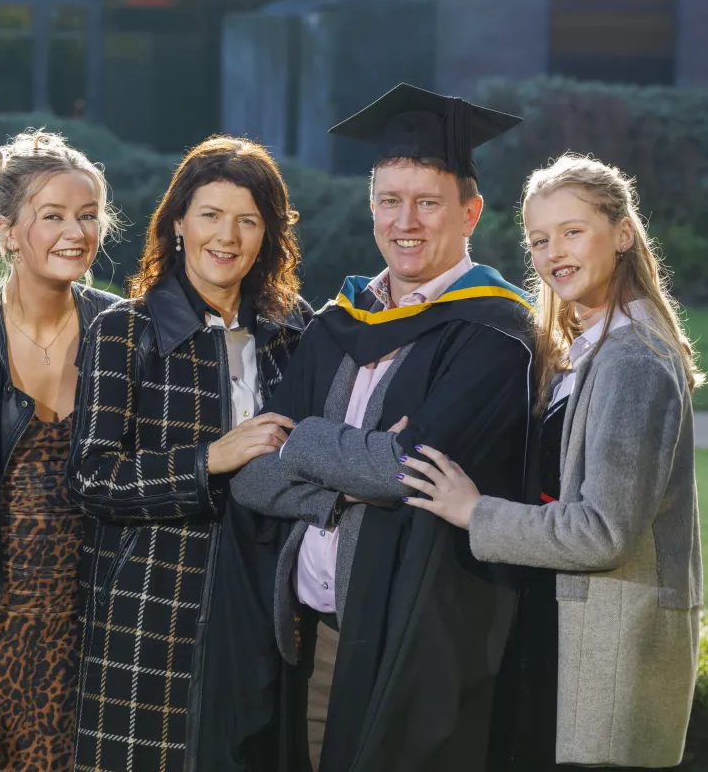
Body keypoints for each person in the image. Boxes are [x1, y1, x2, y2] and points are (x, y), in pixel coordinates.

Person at [224, 83, 537, 771]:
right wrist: (341, 486)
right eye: (390, 201)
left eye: (428, 202)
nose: (407, 222)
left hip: (420, 641)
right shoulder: (339, 321)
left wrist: (303, 444)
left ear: (470, 212)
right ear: (371, 208)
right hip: (314, 639)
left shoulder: (495, 330)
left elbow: (405, 469)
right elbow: (250, 473)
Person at [399, 153, 704, 770]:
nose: (553, 251)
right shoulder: (581, 353)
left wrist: (472, 511)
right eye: (539, 239)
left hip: (608, 650)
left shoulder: (632, 360)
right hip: (559, 630)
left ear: (622, 235)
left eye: (572, 231)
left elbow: (601, 533)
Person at [67, 136, 312, 772]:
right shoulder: (124, 329)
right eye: (210, 215)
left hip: (270, 600)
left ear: (268, 235)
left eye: (247, 220)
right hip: (153, 612)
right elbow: (93, 478)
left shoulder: (295, 332)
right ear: (178, 222)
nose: (226, 236)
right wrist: (209, 459)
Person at [0, 130, 121, 772]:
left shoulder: (125, 335)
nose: (77, 231)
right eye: (54, 216)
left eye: (88, 215)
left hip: (100, 645)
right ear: (9, 231)